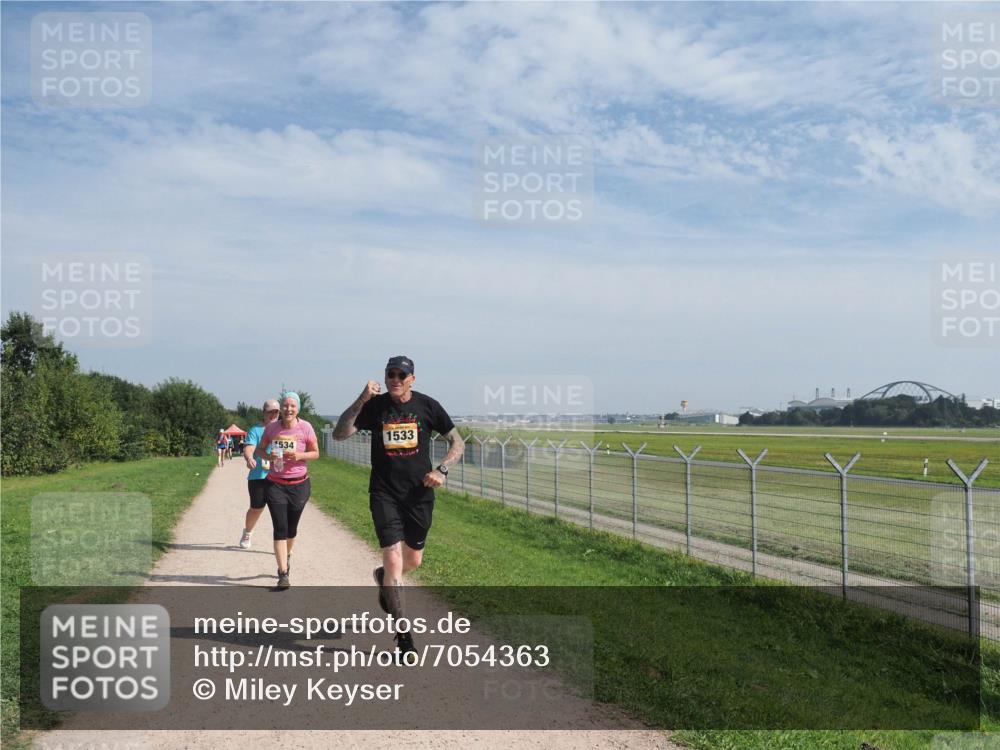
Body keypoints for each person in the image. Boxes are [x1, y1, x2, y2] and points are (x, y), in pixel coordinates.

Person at [332, 355, 465, 653]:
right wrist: (361, 399)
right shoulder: (376, 406)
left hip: (419, 494)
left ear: (412, 379)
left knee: (412, 561)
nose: (395, 379)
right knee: (393, 557)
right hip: (384, 492)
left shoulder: (428, 406)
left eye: (401, 375)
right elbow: (340, 434)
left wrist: (442, 470)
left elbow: (458, 442)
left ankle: (384, 580)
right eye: (390, 374)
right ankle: (403, 635)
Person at [254, 392, 319, 589]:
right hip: (275, 484)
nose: (288, 409)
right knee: (280, 528)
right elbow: (259, 450)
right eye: (285, 406)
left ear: (297, 408)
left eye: (292, 406)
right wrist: (269, 457)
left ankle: (286, 555)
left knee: (292, 530)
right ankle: (283, 573)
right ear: (281, 409)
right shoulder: (272, 428)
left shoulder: (305, 427)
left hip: (299, 485)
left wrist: (299, 455)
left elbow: (316, 453)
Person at [238, 400, 280, 550]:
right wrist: (249, 458)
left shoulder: (283, 430)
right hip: (259, 476)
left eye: (276, 412)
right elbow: (249, 447)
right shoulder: (256, 430)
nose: (273, 415)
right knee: (256, 508)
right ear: (264, 413)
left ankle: (284, 543)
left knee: (280, 511)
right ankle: (247, 532)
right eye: (270, 411)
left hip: (279, 477)